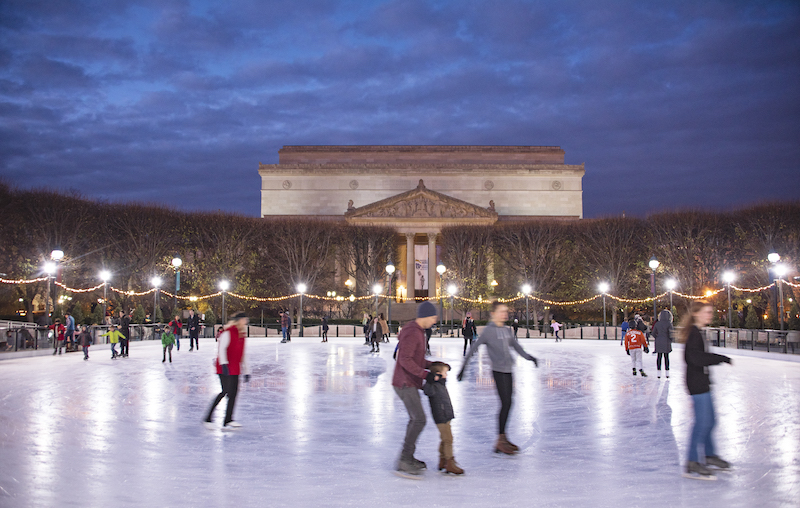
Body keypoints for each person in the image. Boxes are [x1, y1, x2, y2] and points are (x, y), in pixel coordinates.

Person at [458, 301, 539, 455]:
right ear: (493, 314)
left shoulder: (507, 330)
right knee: (506, 403)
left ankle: (503, 437)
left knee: (508, 403)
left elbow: (516, 347)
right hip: (499, 371)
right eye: (501, 311)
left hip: (508, 370)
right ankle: (500, 439)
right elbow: (473, 348)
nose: (505, 314)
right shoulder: (489, 331)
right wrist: (463, 368)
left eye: (505, 311)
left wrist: (530, 357)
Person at [680, 300, 733, 479]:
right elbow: (694, 358)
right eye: (706, 312)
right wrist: (720, 358)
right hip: (696, 384)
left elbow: (699, 357)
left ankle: (709, 455)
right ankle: (692, 462)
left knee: (710, 421)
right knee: (702, 423)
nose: (710, 315)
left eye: (711, 312)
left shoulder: (699, 332)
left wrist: (718, 359)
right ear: (696, 313)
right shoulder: (693, 333)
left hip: (703, 382)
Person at [392, 301, 439, 479]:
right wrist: (425, 374)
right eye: (433, 318)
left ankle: (407, 456)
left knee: (416, 419)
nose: (434, 321)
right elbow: (405, 359)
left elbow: (416, 359)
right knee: (419, 419)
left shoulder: (418, 331)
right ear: (425, 316)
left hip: (409, 381)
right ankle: (404, 459)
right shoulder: (412, 331)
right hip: (404, 382)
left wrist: (433, 365)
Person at [204, 312, 251, 429]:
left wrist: (247, 371)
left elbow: (243, 354)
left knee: (233, 394)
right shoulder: (228, 332)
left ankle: (228, 420)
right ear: (239, 320)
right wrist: (224, 364)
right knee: (225, 391)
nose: (246, 322)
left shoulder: (242, 335)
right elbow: (222, 349)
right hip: (224, 367)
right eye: (244, 319)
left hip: (235, 368)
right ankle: (207, 418)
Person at [422, 361, 464, 475]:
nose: (447, 375)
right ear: (438, 374)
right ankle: (449, 462)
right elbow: (427, 391)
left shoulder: (441, 384)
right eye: (445, 373)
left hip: (445, 414)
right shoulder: (434, 385)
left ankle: (443, 460)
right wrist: (431, 380)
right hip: (440, 415)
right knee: (448, 439)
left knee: (444, 438)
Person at [652, 309, 674, 378]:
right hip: (666, 341)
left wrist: (657, 338)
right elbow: (671, 334)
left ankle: (658, 373)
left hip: (658, 341)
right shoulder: (669, 324)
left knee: (659, 357)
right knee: (666, 357)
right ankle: (667, 373)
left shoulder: (657, 323)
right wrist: (670, 340)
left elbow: (653, 333)